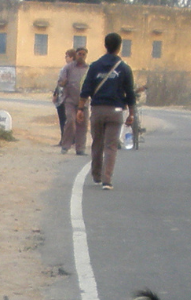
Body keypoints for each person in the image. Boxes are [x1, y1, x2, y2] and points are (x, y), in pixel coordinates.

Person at [79, 33, 135, 190]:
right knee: (110, 146)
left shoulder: (95, 66)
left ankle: (96, 176)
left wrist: (80, 108)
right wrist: (131, 114)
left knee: (97, 143)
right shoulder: (124, 68)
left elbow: (86, 88)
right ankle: (107, 180)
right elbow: (130, 93)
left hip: (97, 110)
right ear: (119, 47)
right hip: (116, 111)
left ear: (105, 45)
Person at [56, 47, 89, 156]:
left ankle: (80, 149)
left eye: (83, 54)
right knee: (70, 121)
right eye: (79, 54)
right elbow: (60, 82)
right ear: (76, 55)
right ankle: (65, 146)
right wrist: (64, 83)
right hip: (70, 100)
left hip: (84, 102)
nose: (81, 56)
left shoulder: (88, 69)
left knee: (82, 125)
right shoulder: (68, 68)